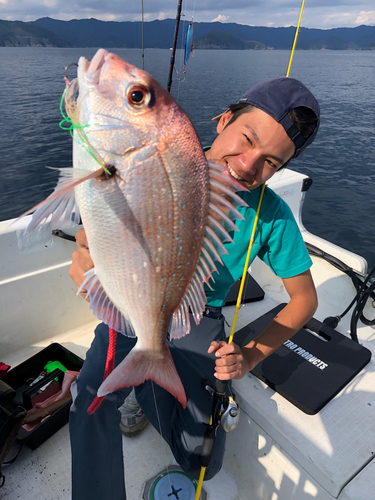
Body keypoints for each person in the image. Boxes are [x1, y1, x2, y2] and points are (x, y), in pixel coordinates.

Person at [69, 77, 320, 499]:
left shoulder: (271, 215)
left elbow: (305, 299)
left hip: (198, 316)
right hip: (132, 303)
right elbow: (98, 217)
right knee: (90, 403)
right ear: (224, 119)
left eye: (272, 162)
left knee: (202, 461)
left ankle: (144, 384)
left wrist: (252, 355)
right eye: (247, 137)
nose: (247, 165)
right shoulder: (154, 164)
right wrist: (85, 253)